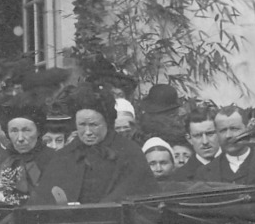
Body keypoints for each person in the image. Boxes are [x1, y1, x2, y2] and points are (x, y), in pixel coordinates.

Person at [31, 86, 159, 205]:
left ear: (107, 123)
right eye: (82, 125)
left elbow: (138, 196)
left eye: (93, 125)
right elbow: (44, 198)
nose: (87, 132)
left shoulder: (129, 152)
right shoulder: (65, 155)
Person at [201, 104, 255, 185]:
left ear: (247, 129)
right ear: (217, 133)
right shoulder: (204, 173)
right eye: (223, 130)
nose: (228, 135)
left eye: (234, 129)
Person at [0, 100, 46, 203]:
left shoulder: (54, 159)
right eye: (14, 131)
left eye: (26, 130)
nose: (20, 138)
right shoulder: (2, 160)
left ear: (38, 132)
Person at [171, 105, 220, 182]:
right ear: (189, 139)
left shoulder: (235, 162)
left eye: (210, 133)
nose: (205, 142)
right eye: (198, 136)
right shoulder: (180, 177)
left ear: (219, 133)